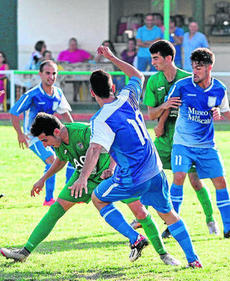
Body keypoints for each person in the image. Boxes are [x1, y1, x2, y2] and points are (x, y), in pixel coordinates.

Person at [68, 45, 202, 268]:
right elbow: (137, 75)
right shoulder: (128, 96)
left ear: (92, 93)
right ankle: (193, 259)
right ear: (113, 86)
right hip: (155, 169)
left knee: (98, 198)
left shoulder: (100, 119)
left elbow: (93, 150)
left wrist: (82, 178)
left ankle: (135, 238)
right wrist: (111, 57)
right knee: (168, 214)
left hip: (133, 177)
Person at [0, 112, 180, 266]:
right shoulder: (59, 143)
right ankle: (24, 252)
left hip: (109, 175)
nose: (45, 145)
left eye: (45, 140)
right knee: (55, 210)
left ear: (56, 131)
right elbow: (61, 160)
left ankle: (163, 254)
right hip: (82, 178)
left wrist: (111, 168)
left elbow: (112, 143)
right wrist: (42, 179)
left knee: (140, 212)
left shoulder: (85, 132)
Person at [143, 40, 219, 239]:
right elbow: (151, 114)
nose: (153, 62)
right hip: (164, 139)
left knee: (195, 181)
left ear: (168, 58)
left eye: (156, 58)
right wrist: (163, 112)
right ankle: (143, 216)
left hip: (187, 141)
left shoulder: (189, 78)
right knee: (148, 175)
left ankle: (211, 219)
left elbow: (207, 102)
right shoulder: (153, 81)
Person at [164, 47, 230, 239]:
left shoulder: (219, 89)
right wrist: (160, 124)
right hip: (182, 144)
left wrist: (219, 112)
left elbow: (225, 112)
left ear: (209, 68)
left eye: (199, 68)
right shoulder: (182, 86)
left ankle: (227, 227)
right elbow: (167, 108)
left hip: (207, 146)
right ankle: (170, 226)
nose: (195, 71)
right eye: (193, 67)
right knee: (178, 178)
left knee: (221, 181)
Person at [9, 60, 74, 206]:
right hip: (34, 137)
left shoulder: (58, 93)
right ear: (40, 74)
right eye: (47, 73)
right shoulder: (32, 94)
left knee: (70, 155)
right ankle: (49, 199)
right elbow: (14, 112)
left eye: (54, 73)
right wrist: (20, 134)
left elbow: (65, 114)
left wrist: (72, 131)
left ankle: (69, 194)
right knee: (51, 160)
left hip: (52, 136)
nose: (51, 76)